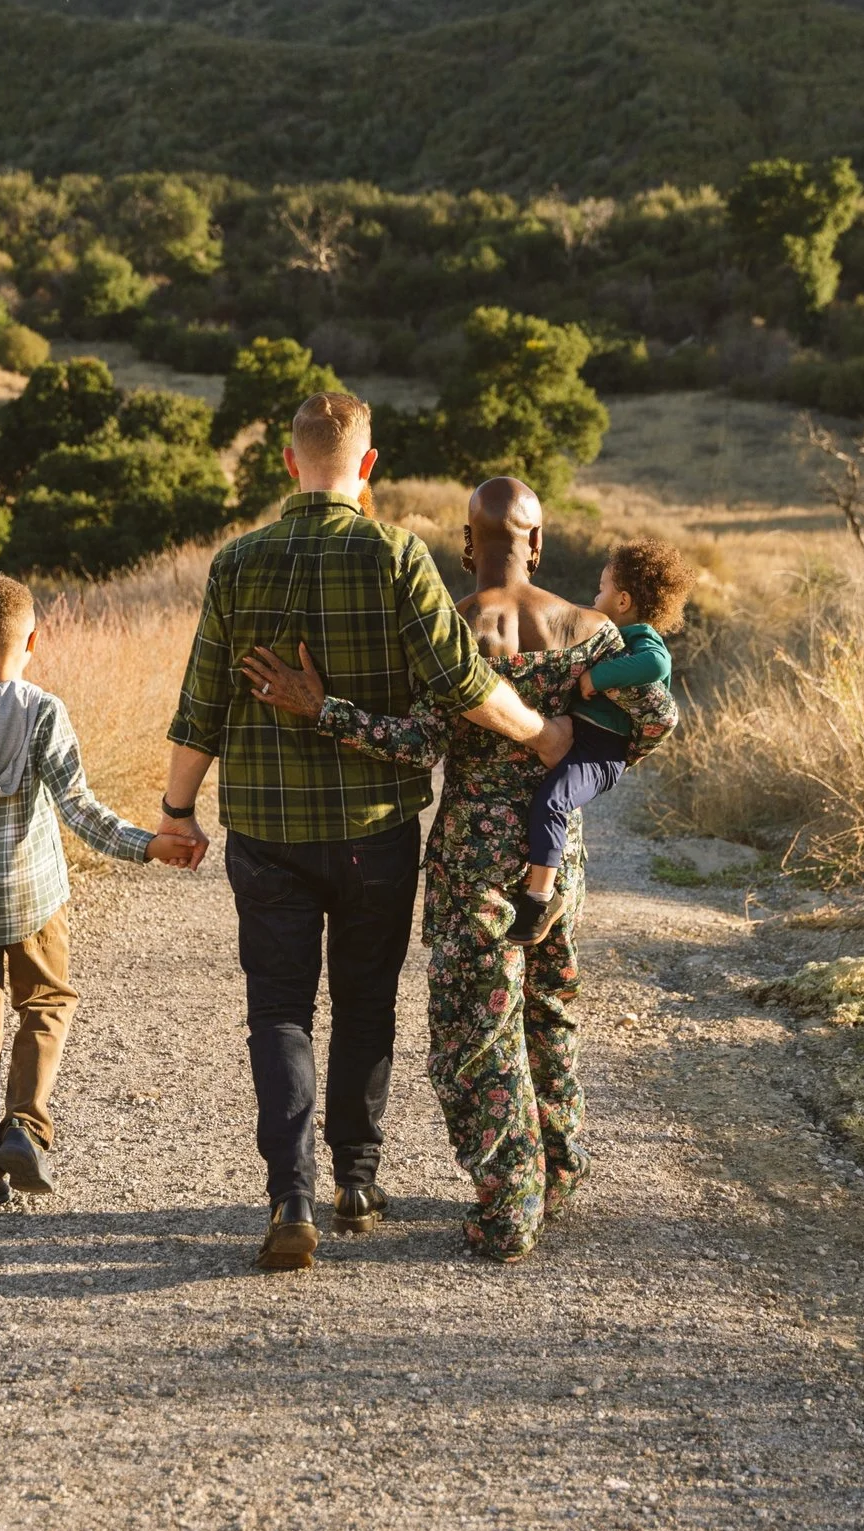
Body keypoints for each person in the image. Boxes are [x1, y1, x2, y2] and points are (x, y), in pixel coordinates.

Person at [160, 394, 575, 1272]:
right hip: (372, 833)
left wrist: (176, 809)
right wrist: (540, 734)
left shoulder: (236, 564)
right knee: (363, 1001)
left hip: (268, 828)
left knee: (278, 1009)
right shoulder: (397, 558)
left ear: (288, 461)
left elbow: (203, 700)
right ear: (370, 465)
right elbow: (463, 681)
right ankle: (357, 1177)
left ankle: (291, 1196)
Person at [241, 479, 678, 1262]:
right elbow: (653, 714)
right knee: (548, 1008)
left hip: (471, 857)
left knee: (476, 1031)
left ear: (466, 545)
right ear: (538, 542)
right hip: (557, 857)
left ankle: (509, 1206)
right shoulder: (595, 630)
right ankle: (555, 1167)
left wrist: (321, 709)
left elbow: (415, 743)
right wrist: (580, 745)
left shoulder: (447, 629)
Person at [0, 575, 200, 1213]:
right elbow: (79, 810)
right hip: (33, 898)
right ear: (34, 638)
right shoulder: (43, 714)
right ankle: (26, 1129)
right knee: (46, 1003)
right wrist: (148, 843)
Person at [507, 539, 693, 944]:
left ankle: (541, 899)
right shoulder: (602, 636)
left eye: (602, 588)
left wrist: (597, 678)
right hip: (583, 742)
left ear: (623, 600)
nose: (596, 596)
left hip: (601, 753)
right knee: (540, 801)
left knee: (552, 801)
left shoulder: (641, 638)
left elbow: (657, 664)